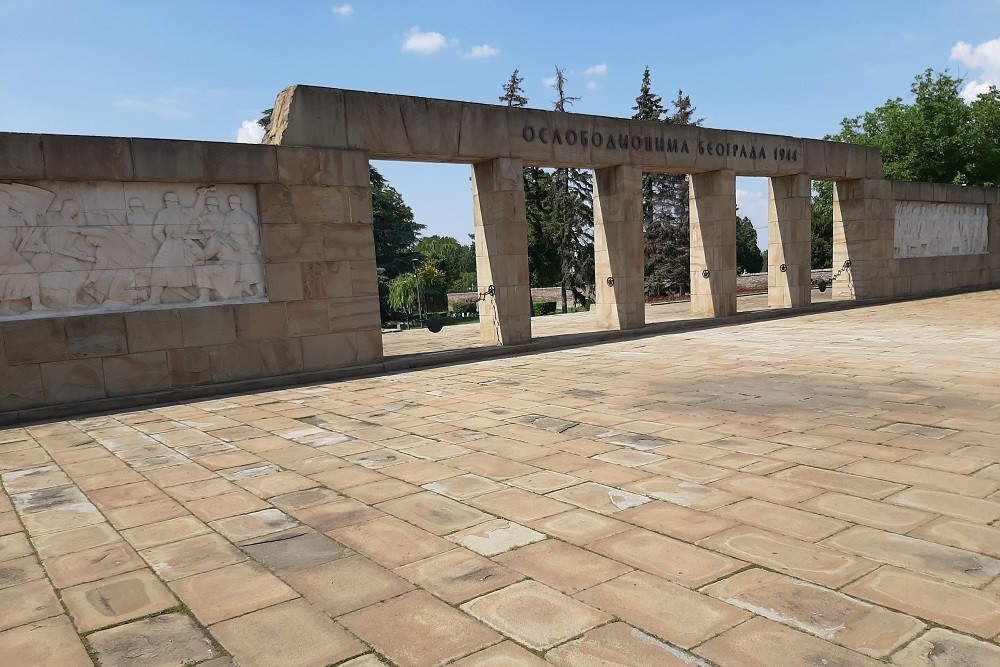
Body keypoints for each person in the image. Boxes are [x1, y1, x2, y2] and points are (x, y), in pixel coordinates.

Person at [146, 187, 209, 304]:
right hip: (185, 243)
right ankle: (202, 295)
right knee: (194, 268)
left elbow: (156, 232)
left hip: (170, 243)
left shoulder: (164, 213)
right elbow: (197, 210)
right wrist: (201, 195)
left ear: (167, 202)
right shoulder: (185, 211)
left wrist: (165, 243)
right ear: (177, 201)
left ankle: (155, 298)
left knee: (159, 267)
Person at [0, 190, 47, 314]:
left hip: (10, 254)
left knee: (29, 274)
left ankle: (36, 305)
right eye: (8, 199)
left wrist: (40, 226)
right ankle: (4, 307)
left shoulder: (15, 219)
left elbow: (30, 240)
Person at [225, 194, 264, 297]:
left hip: (245, 245)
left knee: (253, 267)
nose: (230, 205)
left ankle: (261, 292)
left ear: (238, 203)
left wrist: (254, 246)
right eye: (230, 203)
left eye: (232, 203)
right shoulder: (228, 216)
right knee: (238, 270)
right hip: (233, 246)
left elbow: (254, 232)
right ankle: (243, 289)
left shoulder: (246, 217)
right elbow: (225, 232)